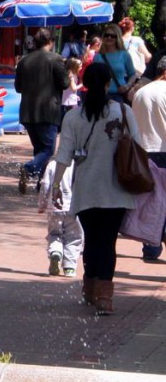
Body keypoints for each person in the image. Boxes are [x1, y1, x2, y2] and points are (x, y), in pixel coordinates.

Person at [51, 64, 139, 315]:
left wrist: (56, 185)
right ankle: (104, 297)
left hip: (86, 188)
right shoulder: (123, 111)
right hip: (116, 189)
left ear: (85, 84)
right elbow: (138, 144)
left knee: (91, 239)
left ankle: (90, 288)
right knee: (108, 242)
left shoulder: (73, 116)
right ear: (108, 83)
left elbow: (64, 154)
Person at [15, 29, 69, 194]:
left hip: (28, 111)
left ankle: (41, 181)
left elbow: (18, 87)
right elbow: (65, 83)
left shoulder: (24, 61)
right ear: (51, 41)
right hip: (48, 110)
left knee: (39, 148)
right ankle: (29, 169)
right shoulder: (56, 59)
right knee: (48, 150)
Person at [131, 56, 166, 260]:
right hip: (163, 148)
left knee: (149, 201)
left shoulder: (140, 92)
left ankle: (151, 246)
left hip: (143, 150)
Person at [37, 159, 81, 278]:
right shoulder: (80, 165)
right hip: (74, 207)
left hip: (55, 207)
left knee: (54, 233)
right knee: (74, 237)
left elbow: (45, 185)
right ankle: (69, 267)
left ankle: (55, 252)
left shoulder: (52, 165)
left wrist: (42, 204)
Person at [90, 24, 137, 103]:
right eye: (107, 35)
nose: (109, 37)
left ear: (117, 37)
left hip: (118, 95)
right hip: (100, 95)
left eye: (113, 36)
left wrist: (127, 86)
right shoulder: (98, 57)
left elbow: (132, 74)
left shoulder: (124, 55)